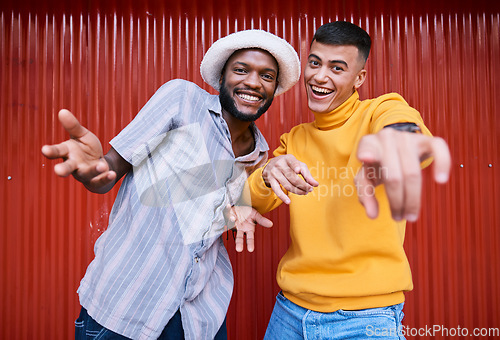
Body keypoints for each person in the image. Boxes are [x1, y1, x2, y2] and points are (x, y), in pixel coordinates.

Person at [41, 29, 300, 340]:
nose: (254, 82)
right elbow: (106, 173)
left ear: (273, 89)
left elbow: (215, 222)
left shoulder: (258, 153)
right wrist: (92, 169)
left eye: (267, 76)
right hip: (125, 309)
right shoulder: (182, 100)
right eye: (241, 70)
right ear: (221, 78)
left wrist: (238, 214)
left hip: (200, 318)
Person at [240, 21, 451, 339]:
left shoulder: (379, 110)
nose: (320, 76)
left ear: (359, 78)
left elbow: (405, 131)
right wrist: (267, 175)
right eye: (315, 62)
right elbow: (252, 201)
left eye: (337, 68)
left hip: (366, 320)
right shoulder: (295, 140)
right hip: (290, 313)